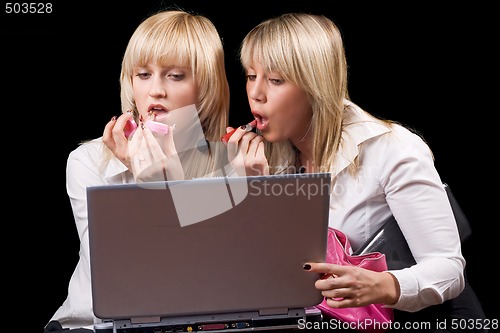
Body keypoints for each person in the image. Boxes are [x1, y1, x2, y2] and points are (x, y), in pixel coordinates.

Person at [226, 13, 486, 331]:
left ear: (315, 84)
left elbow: (449, 270)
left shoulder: (392, 148)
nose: (256, 93)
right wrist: (253, 191)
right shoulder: (262, 159)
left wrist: (382, 285)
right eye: (251, 75)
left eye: (276, 80)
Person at [44, 9, 229, 332]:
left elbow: (213, 277)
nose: (155, 90)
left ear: (207, 87)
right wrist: (149, 190)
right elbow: (123, 278)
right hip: (92, 326)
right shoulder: (88, 162)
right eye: (143, 74)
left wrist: (172, 186)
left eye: (175, 75)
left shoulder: (229, 165)